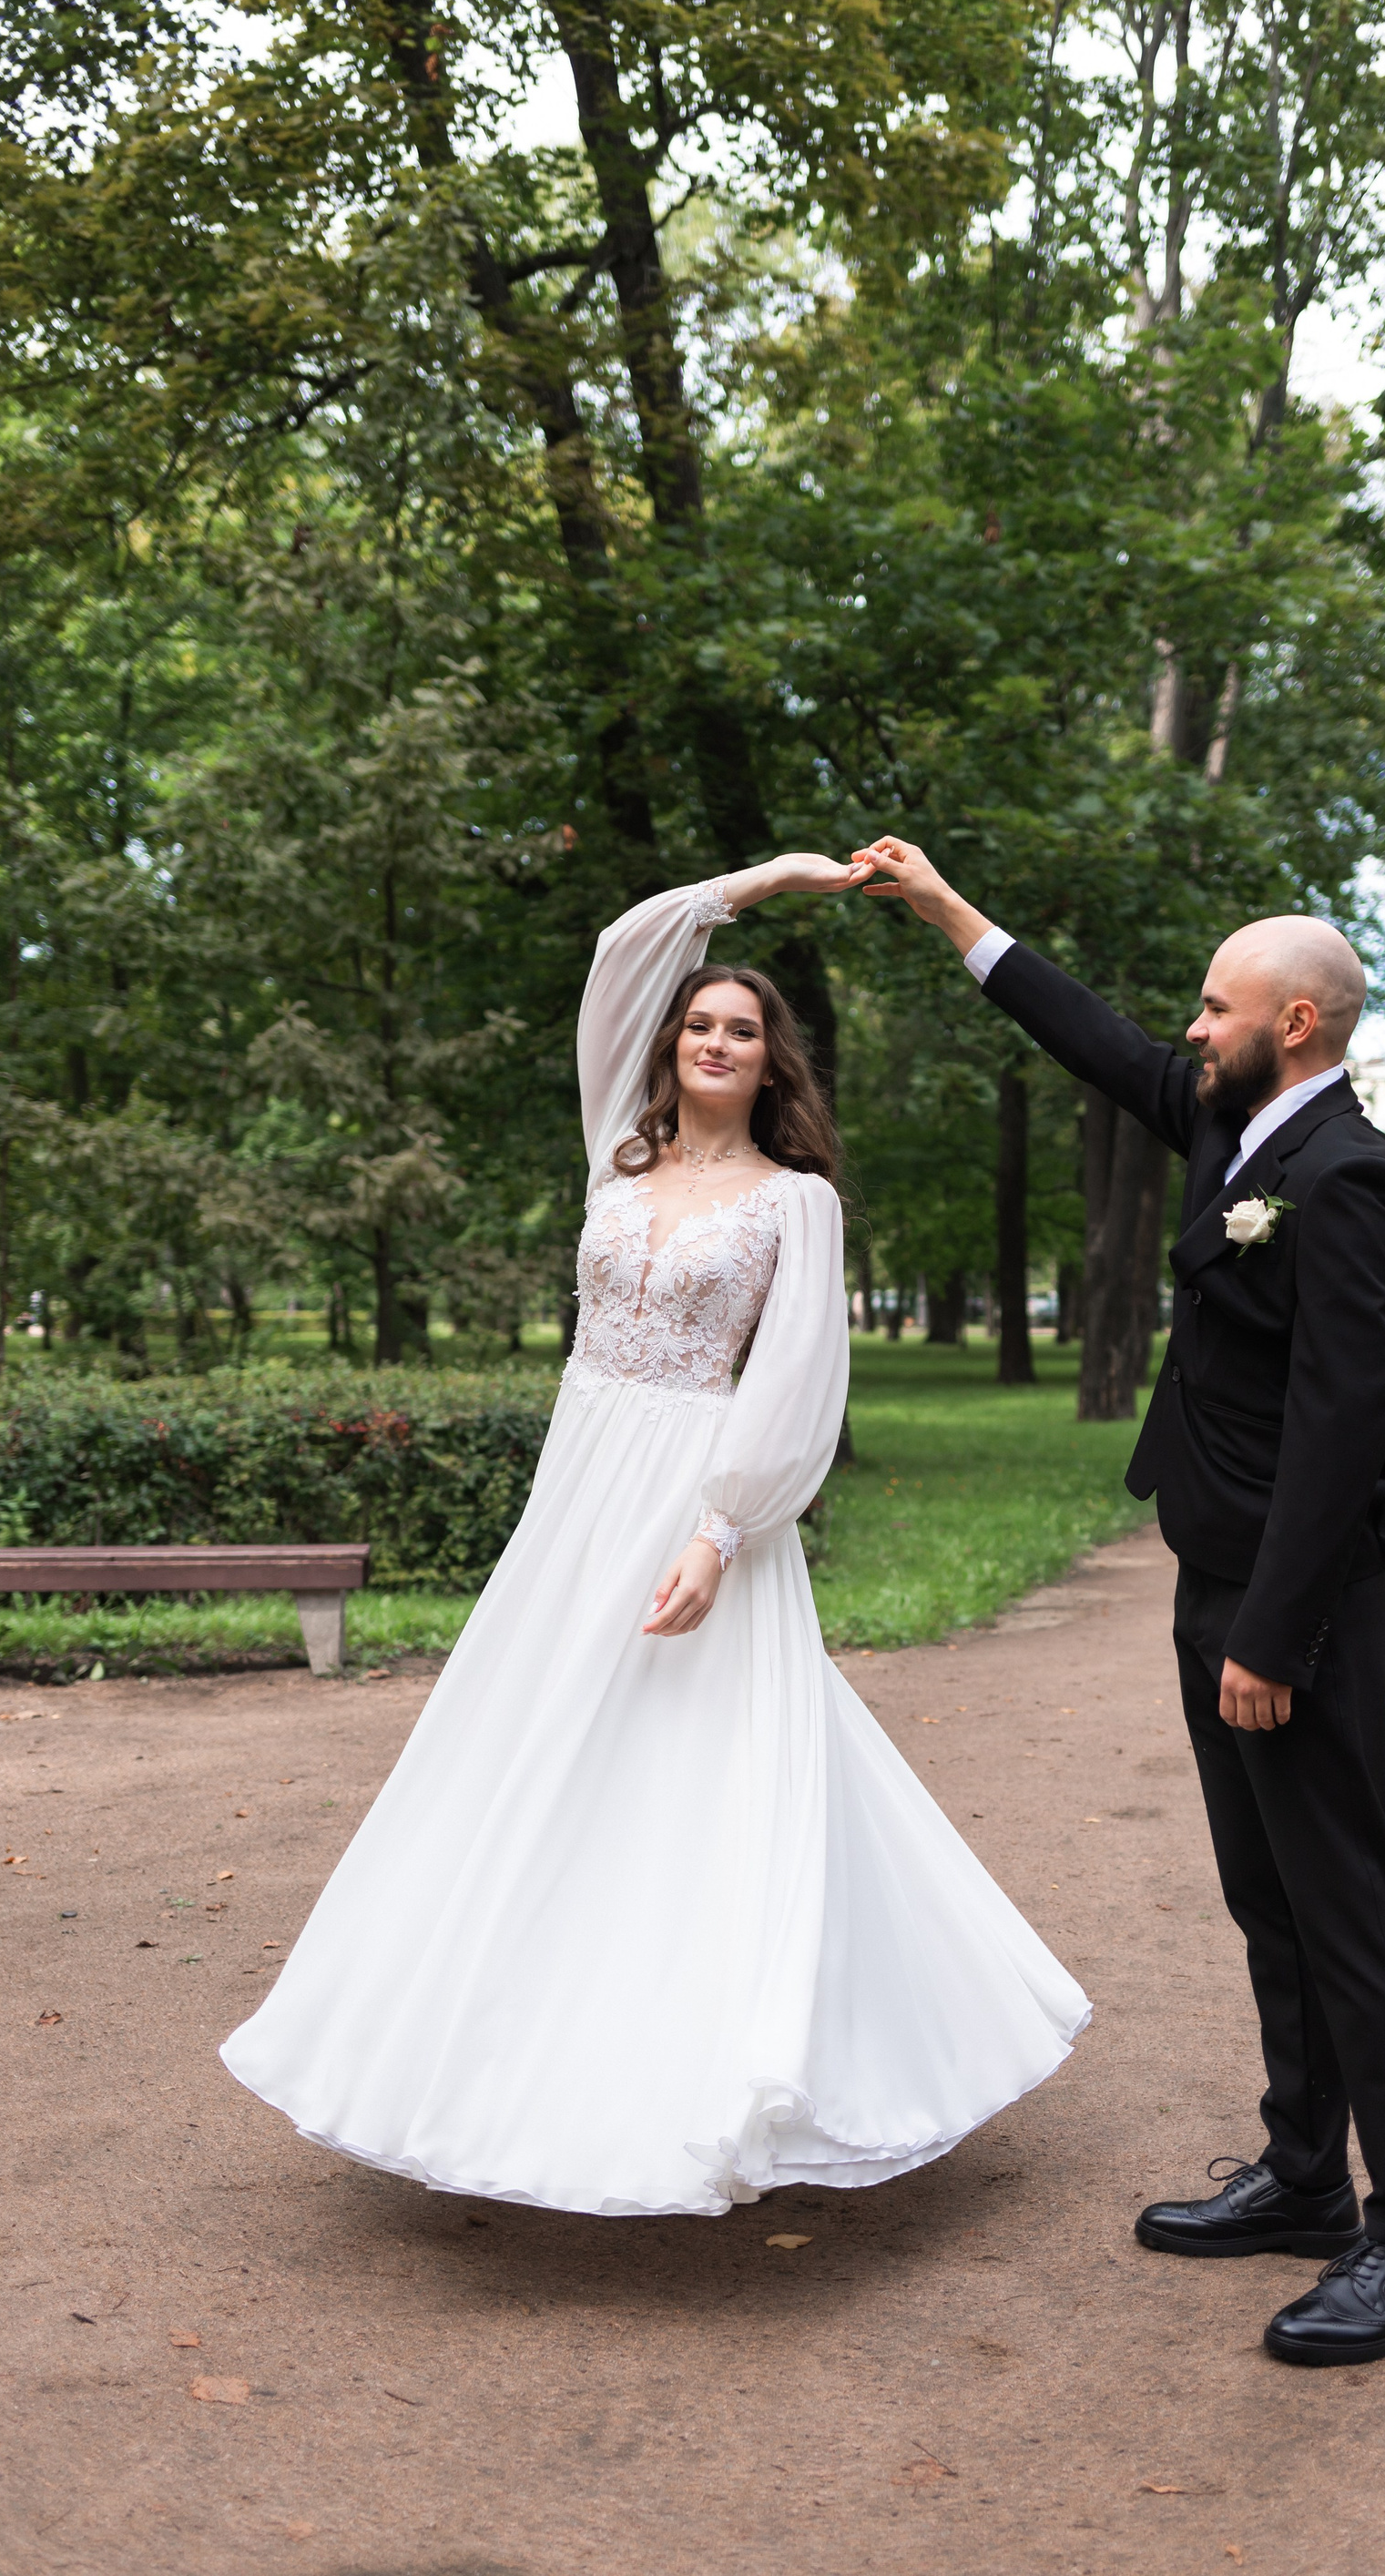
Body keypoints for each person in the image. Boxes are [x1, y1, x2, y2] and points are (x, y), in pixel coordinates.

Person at [221, 857, 1087, 2217]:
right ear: (672, 1045)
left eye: (742, 1030)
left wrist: (722, 1530)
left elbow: (797, 1379)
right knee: (538, 1730)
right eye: (699, 1024)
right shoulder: (614, 1158)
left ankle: (743, 2043)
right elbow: (625, 951)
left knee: (703, 1748)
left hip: (692, 1484)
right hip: (581, 1481)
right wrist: (770, 883)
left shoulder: (796, 1202)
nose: (716, 1043)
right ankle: (483, 2045)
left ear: (772, 1061)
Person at [855, 833, 1385, 2368]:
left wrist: (1273, 1634)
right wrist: (948, 913)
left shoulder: (1347, 1176)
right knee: (1269, 1900)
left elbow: (1341, 1427)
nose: (1190, 1027)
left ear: (1294, 1025)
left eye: (1215, 1007)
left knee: (1350, 1915)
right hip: (1215, 1582)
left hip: (1293, 1612)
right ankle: (1307, 2177)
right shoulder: (1233, 1126)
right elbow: (1098, 1040)